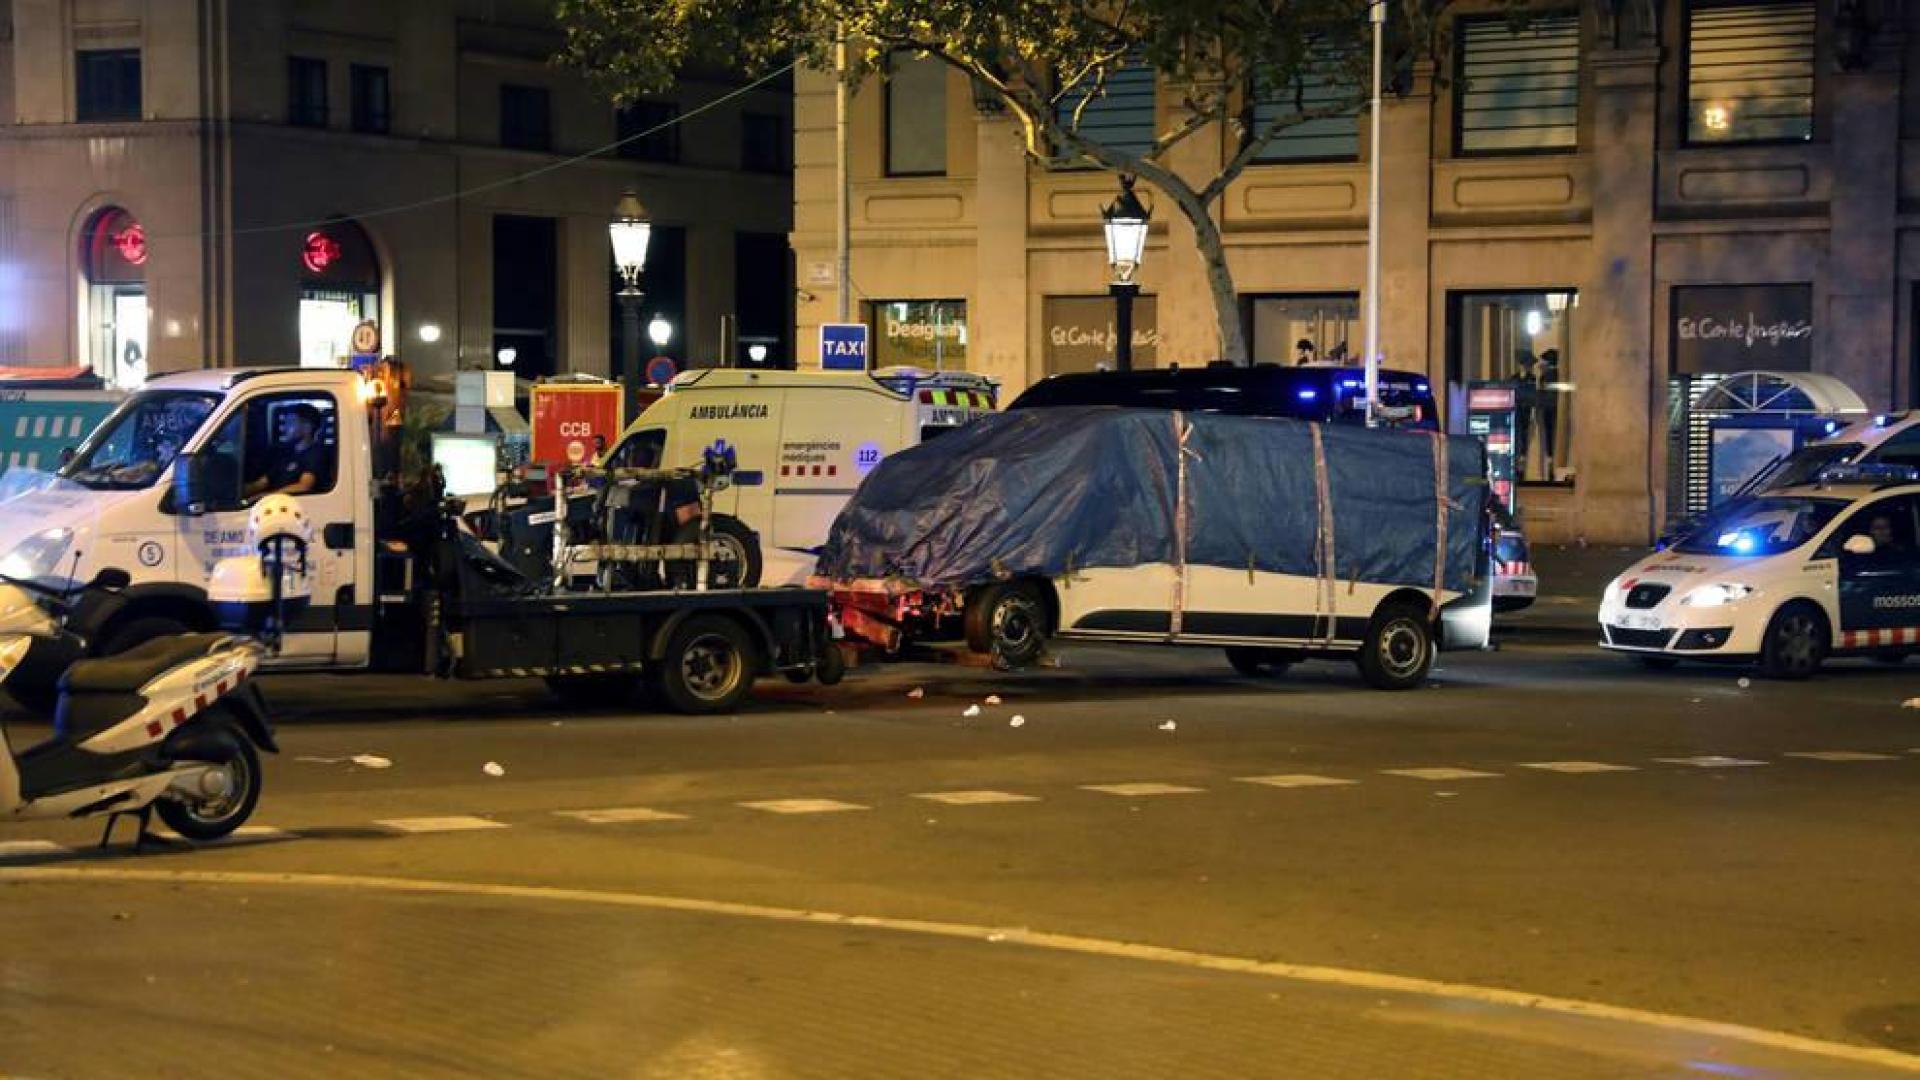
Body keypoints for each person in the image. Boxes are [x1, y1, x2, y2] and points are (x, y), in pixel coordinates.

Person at [247, 403, 327, 499]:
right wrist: (242, 492)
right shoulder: (285, 452)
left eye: (290, 423)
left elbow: (304, 486)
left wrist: (268, 497)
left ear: (307, 427)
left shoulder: (316, 454)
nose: (284, 428)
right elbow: (264, 481)